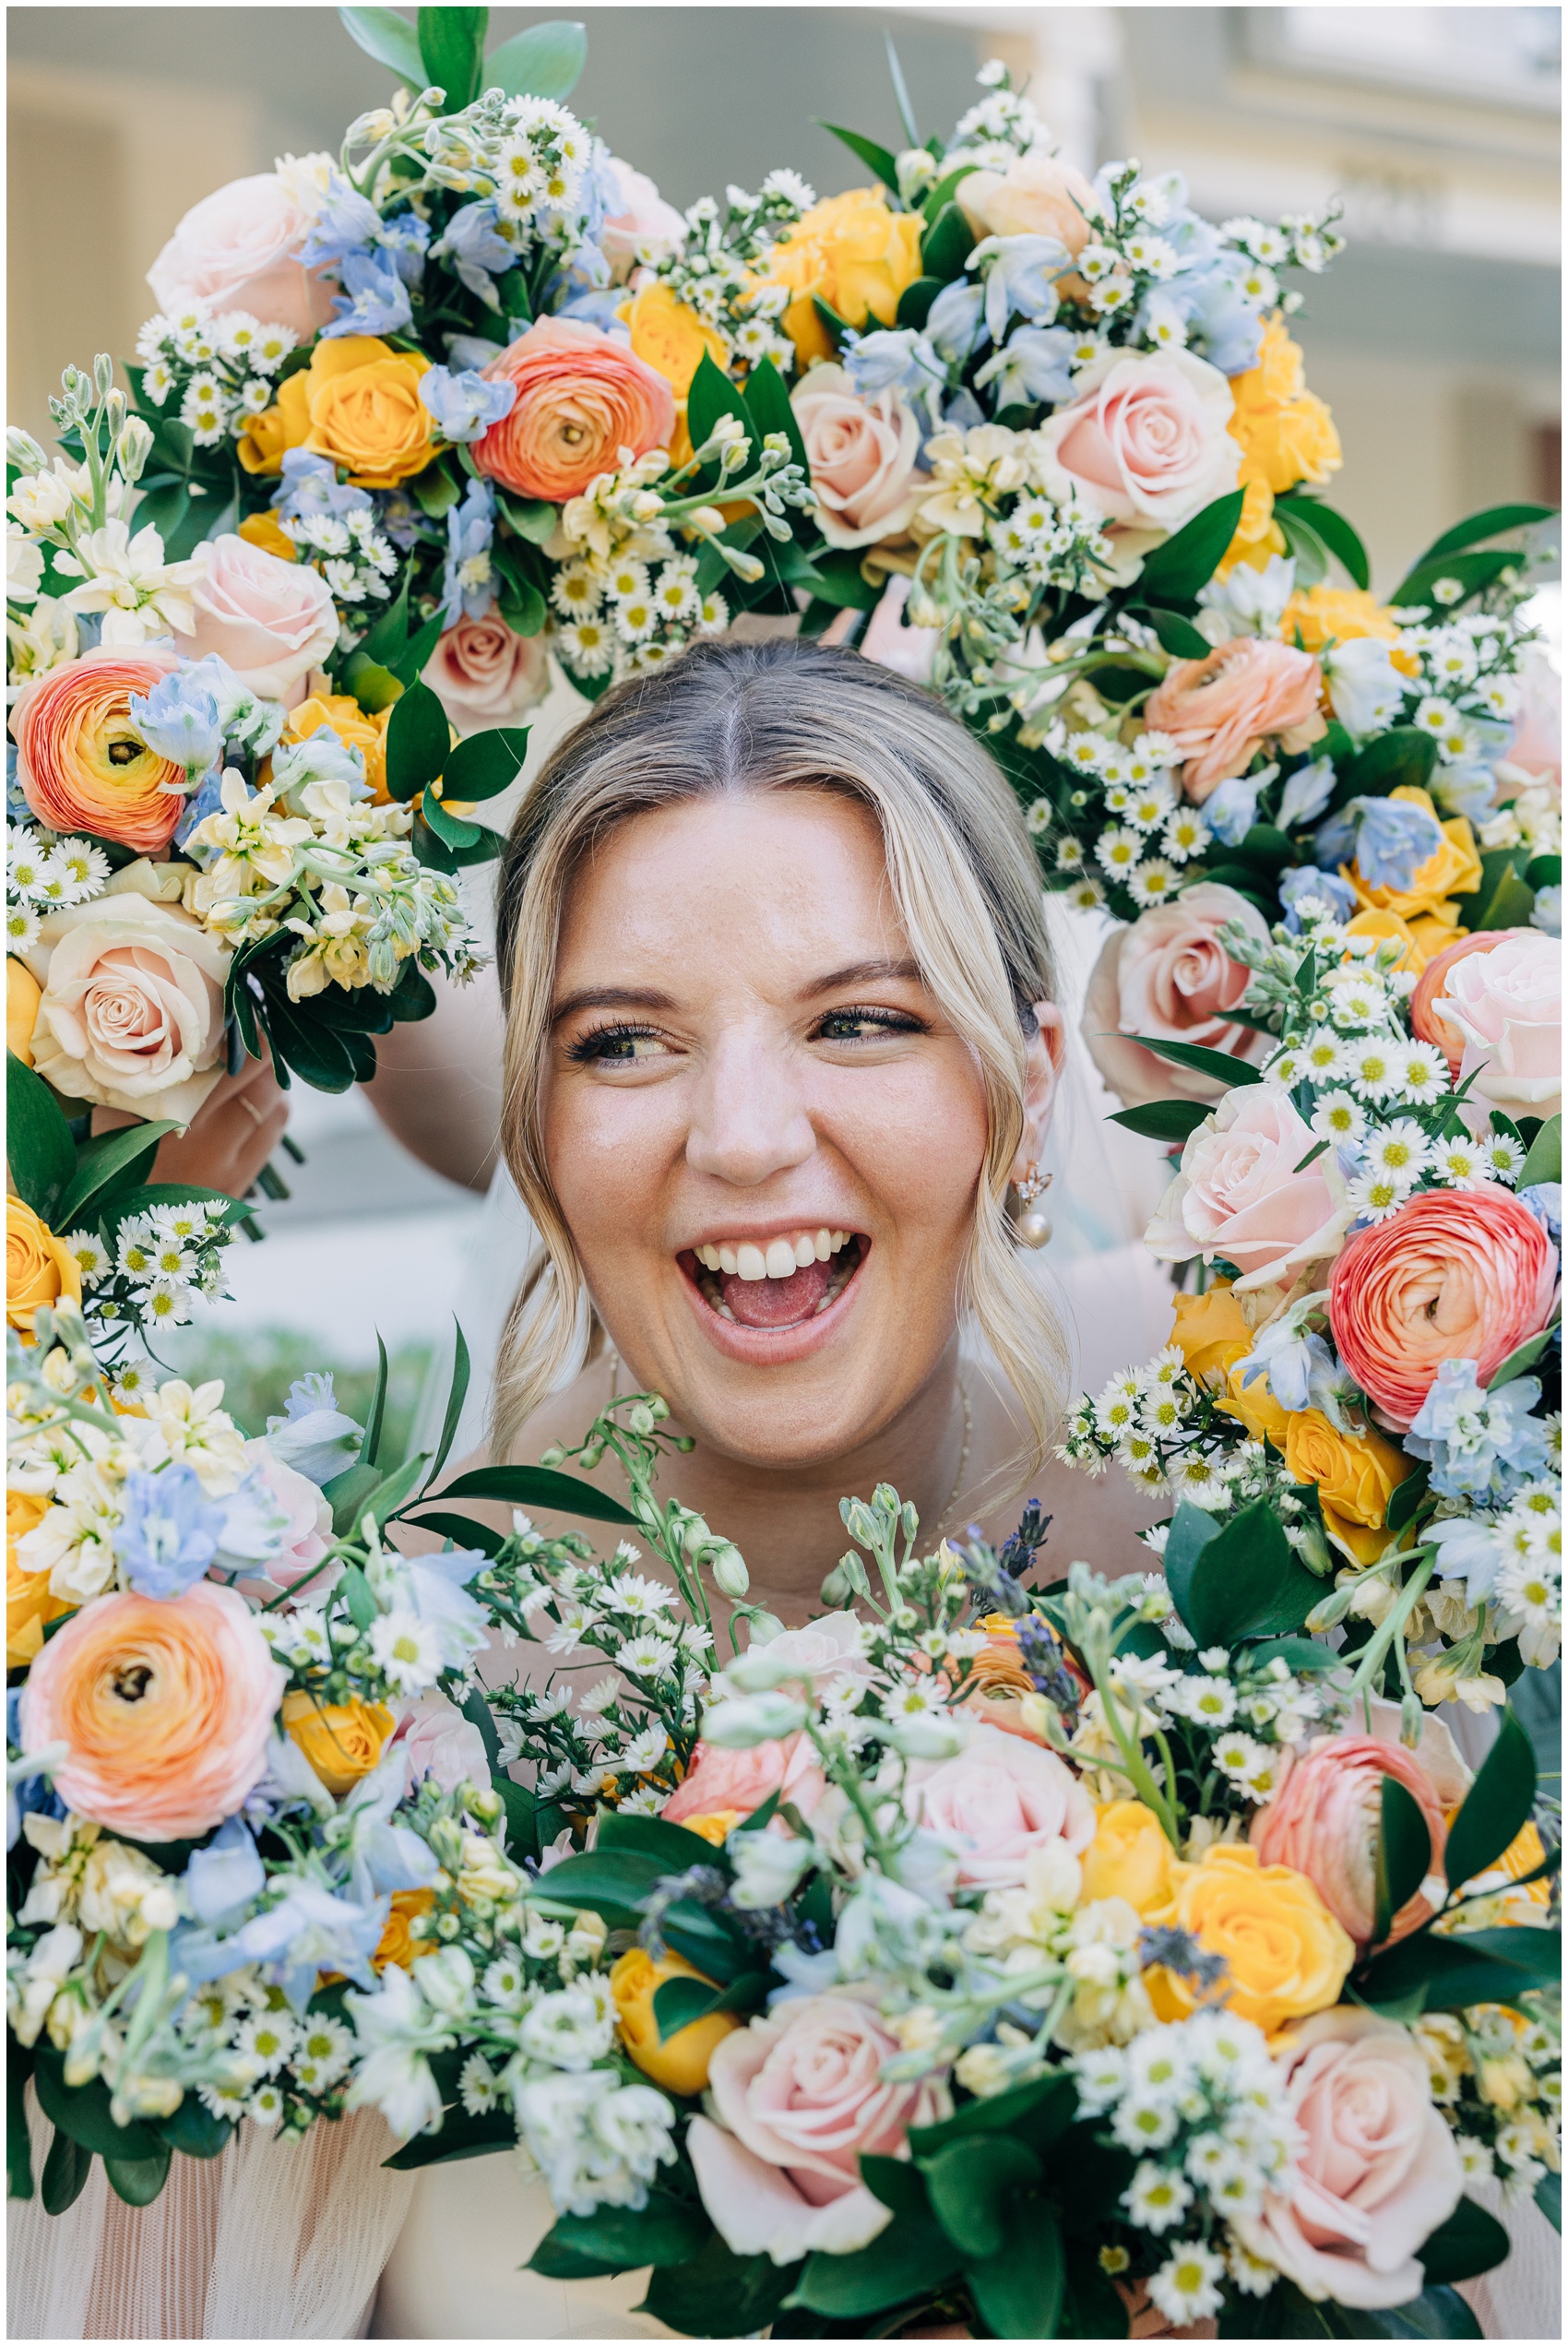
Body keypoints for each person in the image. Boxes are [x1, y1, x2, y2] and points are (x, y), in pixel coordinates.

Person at [374, 637, 1176, 2335]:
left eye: (862, 1020)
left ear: (1027, 1088)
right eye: (622, 1044)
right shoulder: (370, 1713)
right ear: (534, 1123)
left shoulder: (1271, 1518)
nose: (741, 1137)